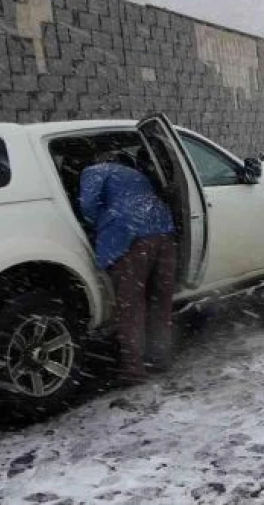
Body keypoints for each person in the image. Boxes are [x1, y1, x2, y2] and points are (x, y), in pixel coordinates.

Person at [79, 148, 177, 383]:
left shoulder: (95, 170)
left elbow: (87, 206)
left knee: (131, 305)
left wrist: (95, 225)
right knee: (159, 301)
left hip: (128, 234)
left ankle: (133, 369)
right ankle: (159, 358)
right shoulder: (137, 175)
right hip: (163, 230)